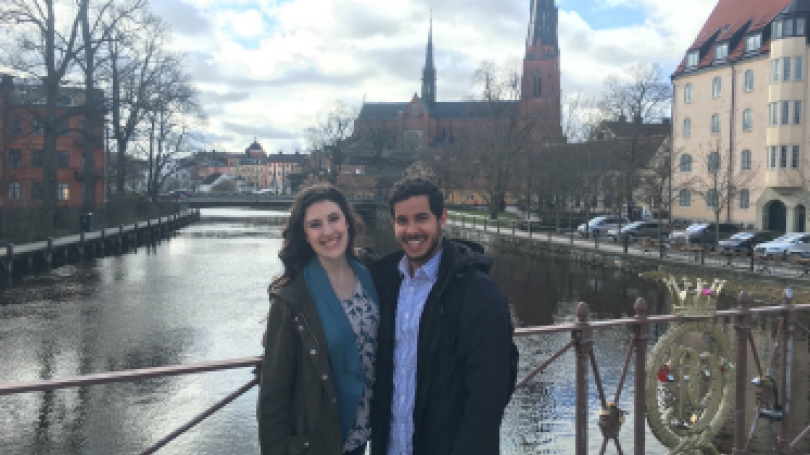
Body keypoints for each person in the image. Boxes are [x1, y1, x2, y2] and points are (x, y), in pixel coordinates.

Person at [370, 177, 518, 455]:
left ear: (442, 219)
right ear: (393, 225)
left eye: (421, 218)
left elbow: (487, 399)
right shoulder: (385, 282)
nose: (411, 230)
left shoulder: (478, 292)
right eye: (402, 221)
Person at [257, 183, 380, 455]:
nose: (328, 231)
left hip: (366, 435)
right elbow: (273, 397)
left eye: (334, 219)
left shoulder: (371, 275)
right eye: (315, 224)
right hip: (319, 441)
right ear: (305, 234)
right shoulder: (291, 299)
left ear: (347, 221)